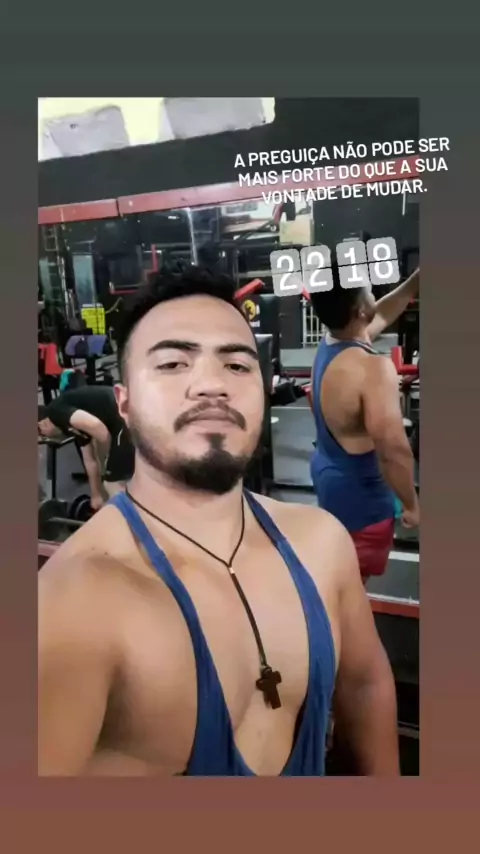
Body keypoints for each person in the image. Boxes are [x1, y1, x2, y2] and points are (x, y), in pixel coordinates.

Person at [38, 266, 399, 777]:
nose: (212, 385)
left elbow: (365, 686)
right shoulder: (73, 606)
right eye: (172, 363)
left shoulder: (321, 543)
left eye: (236, 365)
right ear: (125, 404)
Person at [309, 265, 420, 583]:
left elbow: (380, 313)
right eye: (370, 290)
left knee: (340, 577)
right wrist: (411, 504)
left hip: (331, 480)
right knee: (350, 590)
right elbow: (393, 450)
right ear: (360, 310)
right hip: (363, 503)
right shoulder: (372, 369)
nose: (375, 294)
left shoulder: (331, 343)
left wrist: (415, 282)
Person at [38, 383, 135, 510]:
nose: (45, 438)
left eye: (42, 434)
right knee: (120, 476)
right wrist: (95, 495)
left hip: (123, 415)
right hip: (121, 416)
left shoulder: (55, 411)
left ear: (43, 424)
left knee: (112, 484)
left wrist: (108, 457)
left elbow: (97, 427)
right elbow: (90, 461)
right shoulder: (70, 426)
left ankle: (131, 518)